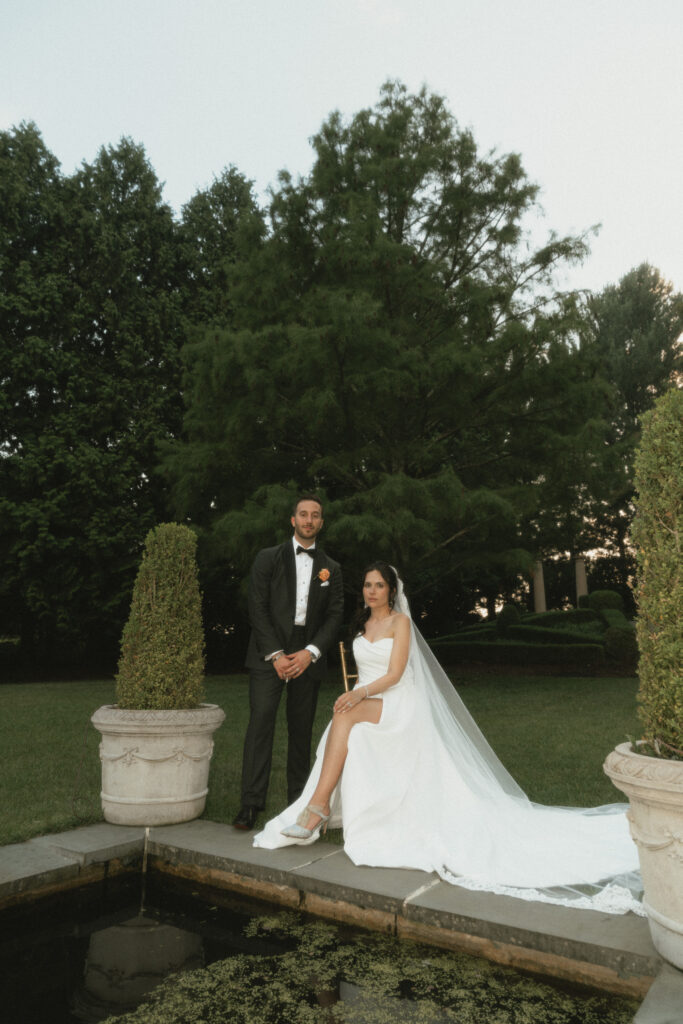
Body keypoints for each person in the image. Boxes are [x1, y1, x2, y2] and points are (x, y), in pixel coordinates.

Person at [254, 562, 643, 915]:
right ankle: (317, 808)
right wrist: (356, 695)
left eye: (379, 585)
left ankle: (318, 809)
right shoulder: (361, 626)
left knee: (346, 711)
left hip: (399, 700)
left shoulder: (399, 624)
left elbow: (394, 675)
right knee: (342, 717)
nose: (372, 591)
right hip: (373, 701)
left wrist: (358, 693)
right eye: (367, 585)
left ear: (392, 590)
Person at [233, 495, 344, 831]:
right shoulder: (268, 558)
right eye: (303, 514)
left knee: (301, 730)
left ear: (321, 523)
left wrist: (311, 652)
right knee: (261, 725)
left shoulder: (332, 568)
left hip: (307, 655)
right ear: (292, 519)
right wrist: (277, 655)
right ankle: (250, 805)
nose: (309, 520)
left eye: (315, 516)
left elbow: (335, 614)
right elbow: (258, 607)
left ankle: (298, 800)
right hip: (270, 653)